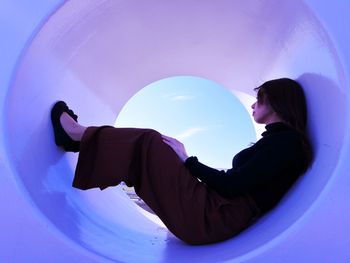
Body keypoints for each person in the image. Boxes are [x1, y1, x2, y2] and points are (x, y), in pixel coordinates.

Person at [51, 77, 313, 245]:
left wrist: (188, 161)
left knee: (150, 142)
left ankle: (78, 136)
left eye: (260, 99)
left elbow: (233, 186)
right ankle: (82, 140)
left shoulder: (287, 142)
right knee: (155, 146)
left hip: (214, 217)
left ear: (278, 102)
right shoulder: (279, 141)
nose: (253, 105)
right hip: (215, 210)